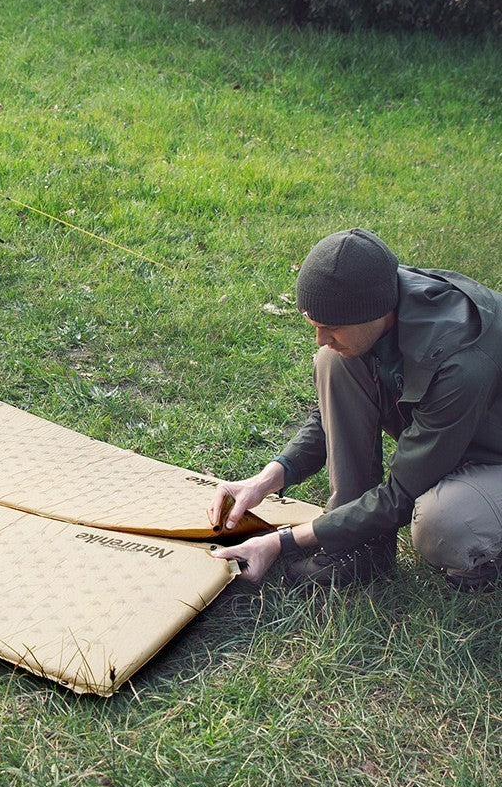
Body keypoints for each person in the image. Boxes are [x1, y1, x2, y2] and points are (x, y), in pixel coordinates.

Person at [209, 228, 502, 592]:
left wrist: (281, 541)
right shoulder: (379, 297)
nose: (320, 338)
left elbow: (401, 495)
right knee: (334, 361)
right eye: (314, 326)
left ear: (376, 313)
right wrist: (269, 478)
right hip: (458, 433)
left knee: (443, 524)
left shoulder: (459, 363)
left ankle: (486, 553)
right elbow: (333, 417)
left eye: (330, 327)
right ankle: (358, 548)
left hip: (494, 458)